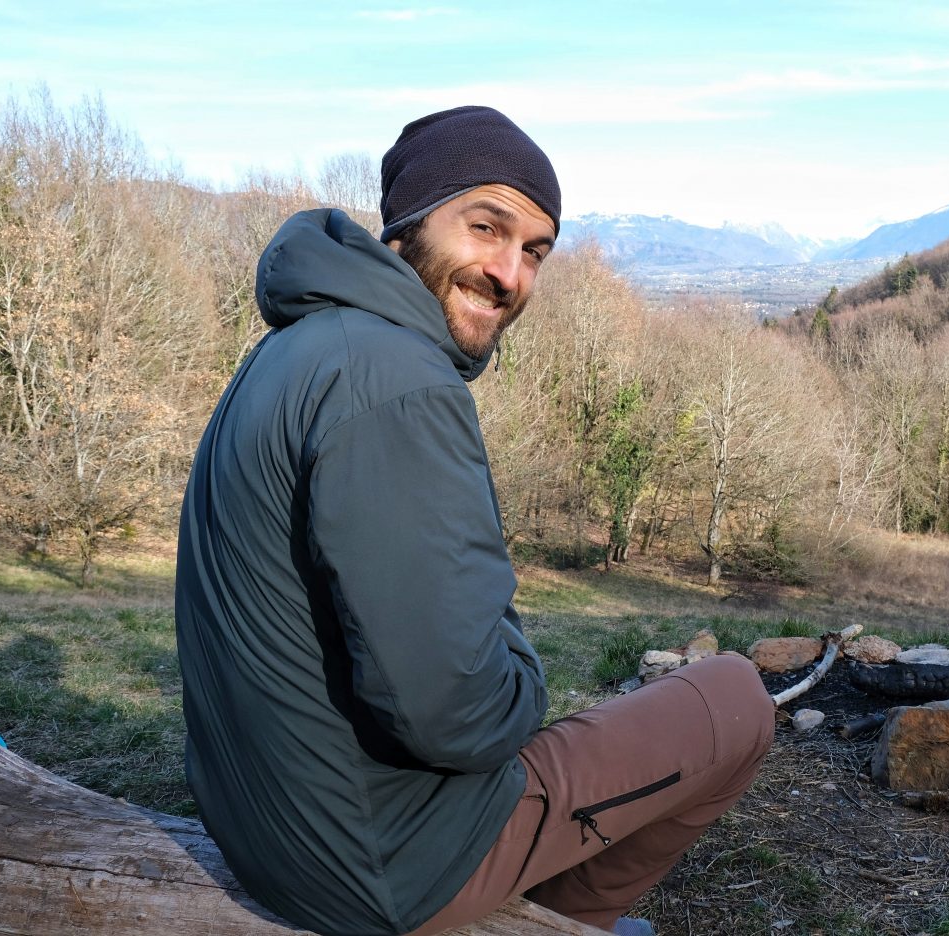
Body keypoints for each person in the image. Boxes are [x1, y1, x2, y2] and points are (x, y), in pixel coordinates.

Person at [175, 106, 773, 936]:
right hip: (381, 863)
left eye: (535, 250)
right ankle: (563, 921)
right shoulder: (395, 380)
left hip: (277, 828)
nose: (510, 273)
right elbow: (461, 717)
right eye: (486, 226)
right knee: (735, 697)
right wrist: (521, 667)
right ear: (409, 226)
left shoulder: (306, 344)